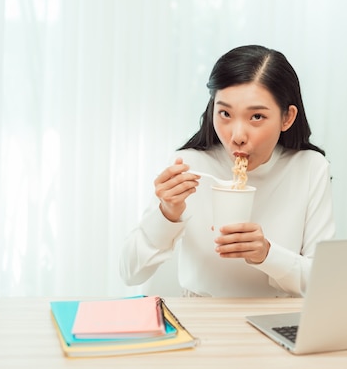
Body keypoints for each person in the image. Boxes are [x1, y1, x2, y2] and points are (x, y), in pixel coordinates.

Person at [119, 45, 335, 297]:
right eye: (224, 113)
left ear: (287, 118)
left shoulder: (309, 167)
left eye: (256, 117)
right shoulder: (188, 166)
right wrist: (167, 213)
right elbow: (130, 273)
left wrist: (267, 254)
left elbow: (322, 282)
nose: (237, 136)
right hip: (201, 318)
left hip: (278, 317)